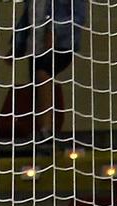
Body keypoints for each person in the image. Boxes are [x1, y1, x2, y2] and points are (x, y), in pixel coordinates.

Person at [10, 0, 88, 142]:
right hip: (36, 46)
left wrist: (55, 31)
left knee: (42, 73)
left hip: (61, 45)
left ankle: (46, 130)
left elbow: (79, 16)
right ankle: (41, 130)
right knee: (36, 86)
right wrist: (16, 47)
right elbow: (26, 19)